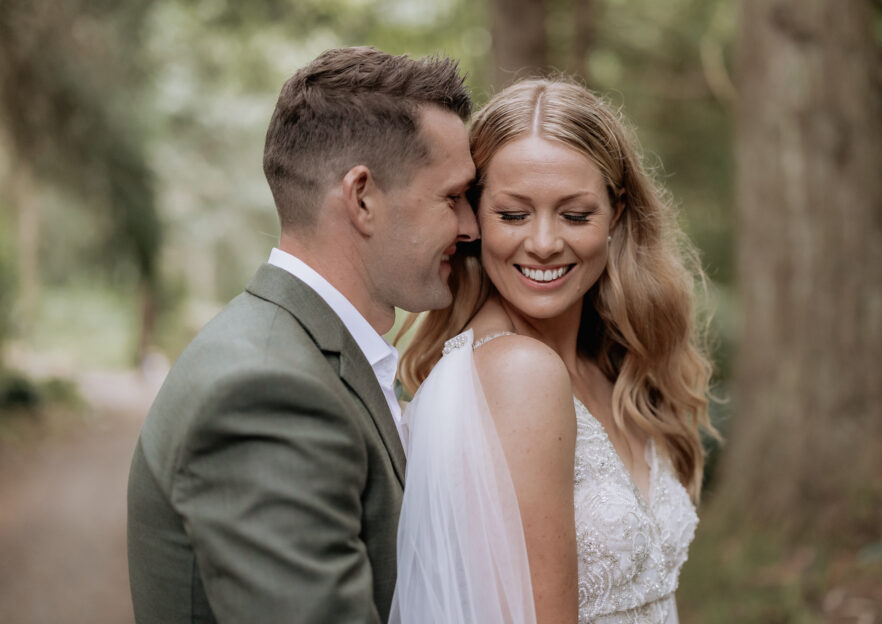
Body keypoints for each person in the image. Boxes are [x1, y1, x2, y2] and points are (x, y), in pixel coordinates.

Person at [126, 46, 478, 623]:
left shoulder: (306, 355)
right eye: (453, 197)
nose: (469, 228)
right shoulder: (264, 391)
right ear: (362, 197)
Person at [390, 78, 718, 624]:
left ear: (615, 214)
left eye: (574, 215)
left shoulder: (609, 366)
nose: (543, 243)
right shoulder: (518, 372)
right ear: (473, 219)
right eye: (513, 214)